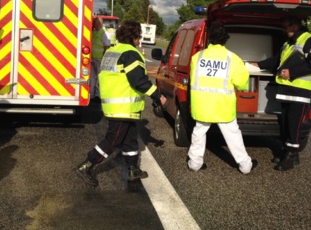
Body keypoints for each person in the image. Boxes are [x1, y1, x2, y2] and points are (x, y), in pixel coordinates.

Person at [74, 21, 166, 187]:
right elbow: (139, 81)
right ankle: (86, 165)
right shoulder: (131, 53)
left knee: (130, 139)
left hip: (116, 105)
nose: (139, 41)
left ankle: (132, 170)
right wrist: (157, 95)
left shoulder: (112, 52)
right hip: (123, 106)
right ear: (134, 37)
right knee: (113, 140)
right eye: (138, 37)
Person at [251, 15, 311, 171]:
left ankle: (290, 156)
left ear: (294, 26)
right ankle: (289, 152)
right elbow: (276, 62)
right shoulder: (288, 44)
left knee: (294, 125)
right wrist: (258, 64)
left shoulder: (309, 40)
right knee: (285, 124)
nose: (285, 30)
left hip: (300, 91)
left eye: (286, 27)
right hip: (285, 91)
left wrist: (292, 72)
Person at [187, 23, 257, 174]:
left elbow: (194, 79)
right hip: (223, 106)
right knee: (233, 135)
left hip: (202, 104)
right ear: (225, 39)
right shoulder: (233, 59)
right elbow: (242, 83)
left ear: (209, 38)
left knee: (198, 133)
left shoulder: (196, 58)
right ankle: (245, 166)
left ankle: (194, 164)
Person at [90, 16, 110, 100]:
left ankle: (97, 95)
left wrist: (104, 58)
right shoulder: (94, 32)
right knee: (92, 77)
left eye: (95, 23)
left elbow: (107, 46)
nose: (94, 25)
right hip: (92, 58)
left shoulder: (104, 33)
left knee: (99, 77)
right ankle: (91, 94)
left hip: (100, 59)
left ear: (100, 24)